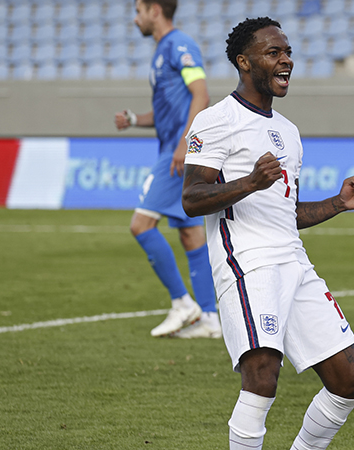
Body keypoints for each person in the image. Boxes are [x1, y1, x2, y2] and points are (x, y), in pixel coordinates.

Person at [181, 17, 354, 450]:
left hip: (294, 262)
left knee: (348, 380)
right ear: (244, 62)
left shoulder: (289, 132)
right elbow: (191, 198)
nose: (286, 60)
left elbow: (287, 213)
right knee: (263, 375)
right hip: (248, 263)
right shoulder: (215, 120)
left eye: (287, 53)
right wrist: (248, 181)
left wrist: (339, 203)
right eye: (273, 53)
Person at [113, 0, 220, 339]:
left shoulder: (180, 45)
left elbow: (201, 94)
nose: (135, 19)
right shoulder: (162, 51)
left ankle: (182, 303)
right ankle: (210, 319)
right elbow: (167, 112)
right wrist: (135, 120)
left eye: (138, 10)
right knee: (190, 234)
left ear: (155, 10)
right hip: (175, 148)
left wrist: (185, 143)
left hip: (178, 152)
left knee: (141, 224)